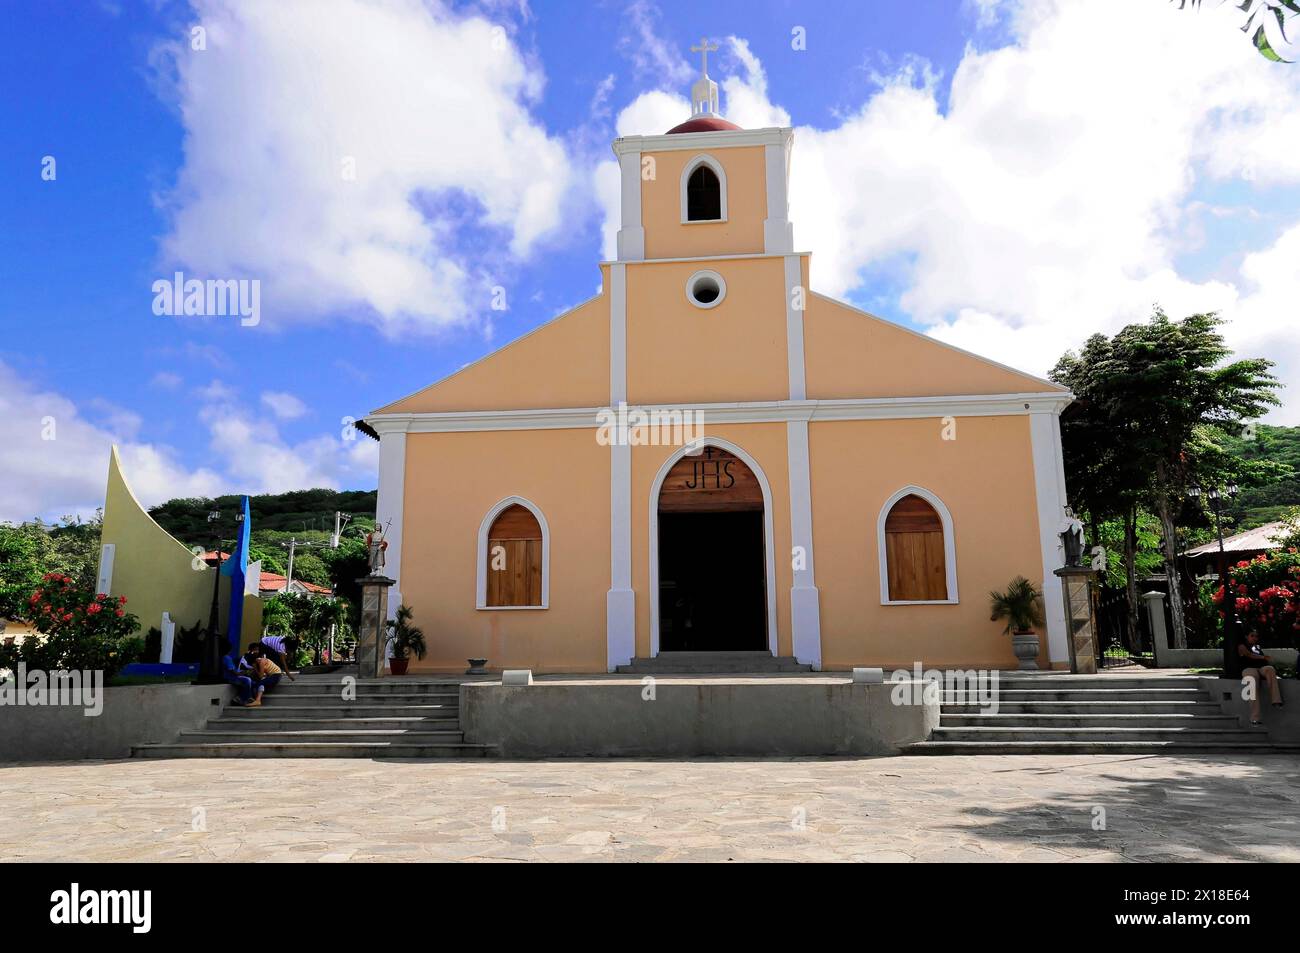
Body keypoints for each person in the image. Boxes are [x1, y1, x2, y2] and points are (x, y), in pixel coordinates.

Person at [1237, 628, 1284, 726]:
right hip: (1248, 669)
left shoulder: (1257, 647)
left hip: (1260, 668)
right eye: (1252, 635)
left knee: (1270, 669)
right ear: (1247, 636)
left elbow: (1264, 661)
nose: (1255, 638)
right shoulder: (1242, 646)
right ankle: (1255, 718)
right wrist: (1263, 657)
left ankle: (1276, 701)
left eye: (1256, 636)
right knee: (1252, 683)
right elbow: (1248, 655)